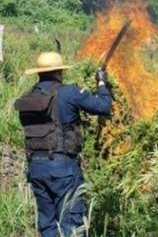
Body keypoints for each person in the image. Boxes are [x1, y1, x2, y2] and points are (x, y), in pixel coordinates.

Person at [14, 52, 112, 237]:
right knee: (71, 226)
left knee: (47, 225)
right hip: (63, 169)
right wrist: (101, 83)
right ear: (59, 72)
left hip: (36, 169)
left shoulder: (28, 98)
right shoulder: (69, 92)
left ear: (39, 73)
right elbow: (103, 107)